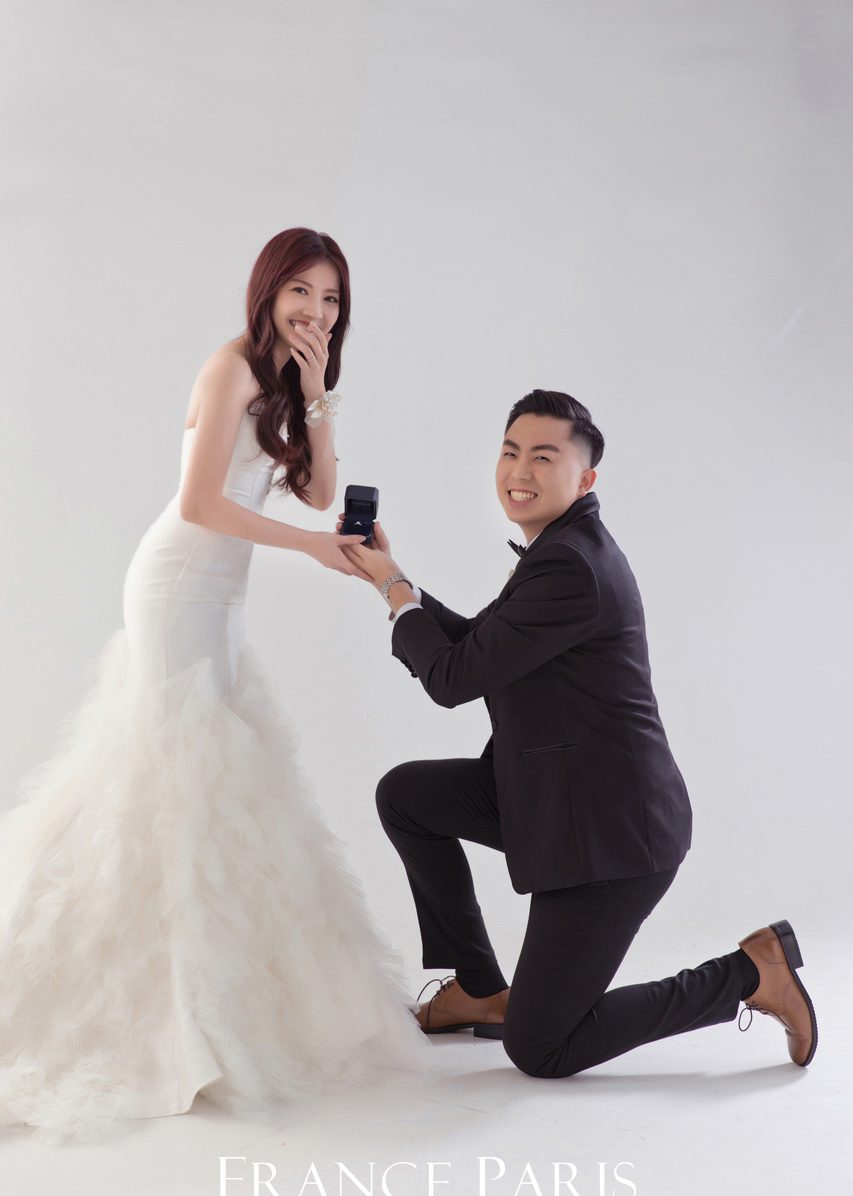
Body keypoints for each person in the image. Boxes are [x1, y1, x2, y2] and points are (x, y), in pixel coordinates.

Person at [0, 227, 429, 1143]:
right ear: (268, 290)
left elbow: (320, 495)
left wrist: (317, 396)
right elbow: (200, 504)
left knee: (221, 780)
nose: (316, 311)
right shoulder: (228, 368)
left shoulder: (287, 380)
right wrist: (310, 549)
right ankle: (147, 996)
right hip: (174, 586)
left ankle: (221, 991)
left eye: (332, 299)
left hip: (221, 597)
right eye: (301, 292)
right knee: (162, 776)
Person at [339, 388, 818, 1078]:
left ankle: (750, 974)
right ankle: (478, 987)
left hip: (610, 835)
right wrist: (391, 580)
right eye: (510, 452)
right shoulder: (559, 550)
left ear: (585, 478)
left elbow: (450, 679)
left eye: (543, 457)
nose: (519, 471)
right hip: (554, 796)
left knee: (540, 1047)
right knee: (408, 796)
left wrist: (395, 591)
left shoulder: (570, 566)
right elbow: (477, 647)